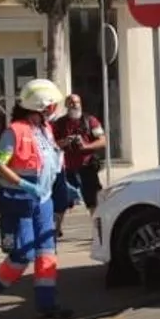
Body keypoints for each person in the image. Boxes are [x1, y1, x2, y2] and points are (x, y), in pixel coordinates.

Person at [0, 78, 74, 319]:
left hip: (43, 200)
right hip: (17, 200)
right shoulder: (14, 131)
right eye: (52, 106)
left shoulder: (45, 129)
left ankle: (47, 304)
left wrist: (64, 185)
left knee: (47, 251)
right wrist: (23, 184)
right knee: (23, 254)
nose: (54, 110)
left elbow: (50, 160)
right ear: (41, 107)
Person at [50, 93, 107, 232]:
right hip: (67, 167)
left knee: (93, 200)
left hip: (87, 166)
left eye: (76, 102)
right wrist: (65, 142)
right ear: (66, 106)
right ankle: (56, 230)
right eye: (70, 103)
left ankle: (98, 230)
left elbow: (103, 141)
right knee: (61, 201)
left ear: (81, 104)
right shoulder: (60, 123)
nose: (73, 105)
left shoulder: (90, 120)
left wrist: (86, 146)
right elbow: (51, 143)